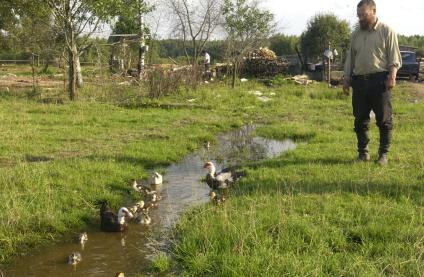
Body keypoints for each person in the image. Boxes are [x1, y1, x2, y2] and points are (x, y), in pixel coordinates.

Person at [343, 0, 402, 165]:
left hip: (380, 81)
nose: (360, 18)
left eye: (364, 15)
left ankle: (383, 155)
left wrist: (392, 76)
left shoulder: (386, 31)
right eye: (359, 15)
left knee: (384, 120)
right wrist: (346, 79)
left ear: (374, 11)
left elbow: (394, 58)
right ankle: (363, 154)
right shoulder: (356, 34)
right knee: (359, 119)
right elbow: (350, 59)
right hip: (359, 83)